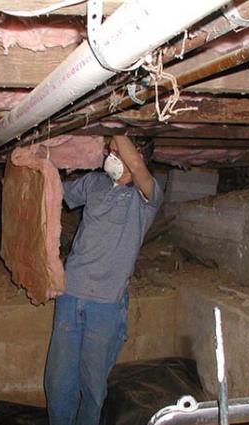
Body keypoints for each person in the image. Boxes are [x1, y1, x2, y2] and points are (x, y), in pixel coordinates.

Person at [44, 135, 163, 425]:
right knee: (59, 379)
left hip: (107, 305)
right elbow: (55, 193)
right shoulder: (94, 184)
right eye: (108, 150)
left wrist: (116, 125)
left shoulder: (145, 197)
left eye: (115, 152)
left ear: (137, 158)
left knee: (92, 385)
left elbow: (134, 163)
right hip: (70, 294)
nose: (109, 156)